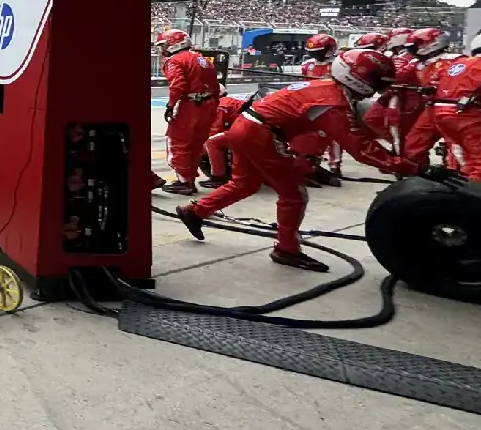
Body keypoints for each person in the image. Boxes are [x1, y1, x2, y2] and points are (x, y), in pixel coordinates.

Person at [177, 49, 422, 272]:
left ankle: (195, 212)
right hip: (261, 133)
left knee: (245, 184)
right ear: (360, 78)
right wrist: (414, 168)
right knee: (294, 194)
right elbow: (361, 150)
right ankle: (286, 250)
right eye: (378, 82)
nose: (379, 89)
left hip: (248, 127)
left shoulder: (326, 88)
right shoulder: (332, 103)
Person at [158, 28, 222, 195]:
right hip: (208, 107)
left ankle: (184, 182)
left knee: (178, 142)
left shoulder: (175, 60)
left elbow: (177, 86)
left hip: (190, 107)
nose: (163, 49)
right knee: (196, 145)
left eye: (164, 44)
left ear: (174, 43)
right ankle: (189, 179)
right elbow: (216, 86)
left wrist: (171, 106)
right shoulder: (202, 59)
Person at [293, 33, 342, 179]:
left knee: (335, 136)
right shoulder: (307, 65)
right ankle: (310, 162)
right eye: (314, 52)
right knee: (309, 135)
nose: (316, 55)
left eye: (319, 52)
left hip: (331, 104)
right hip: (310, 104)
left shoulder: (338, 65)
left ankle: (335, 165)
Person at [433, 35, 481, 180]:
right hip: (466, 117)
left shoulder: (458, 63)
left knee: (461, 157)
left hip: (441, 114)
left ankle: (458, 188)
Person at [400, 28, 451, 162]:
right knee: (412, 145)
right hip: (430, 109)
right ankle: (421, 173)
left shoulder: (454, 61)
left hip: (453, 110)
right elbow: (399, 76)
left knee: (457, 148)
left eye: (416, 45)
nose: (412, 49)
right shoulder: (417, 64)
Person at [201, 93, 250, 187]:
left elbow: (215, 130)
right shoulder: (228, 101)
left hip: (244, 131)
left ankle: (218, 177)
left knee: (211, 142)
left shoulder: (219, 106)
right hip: (247, 128)